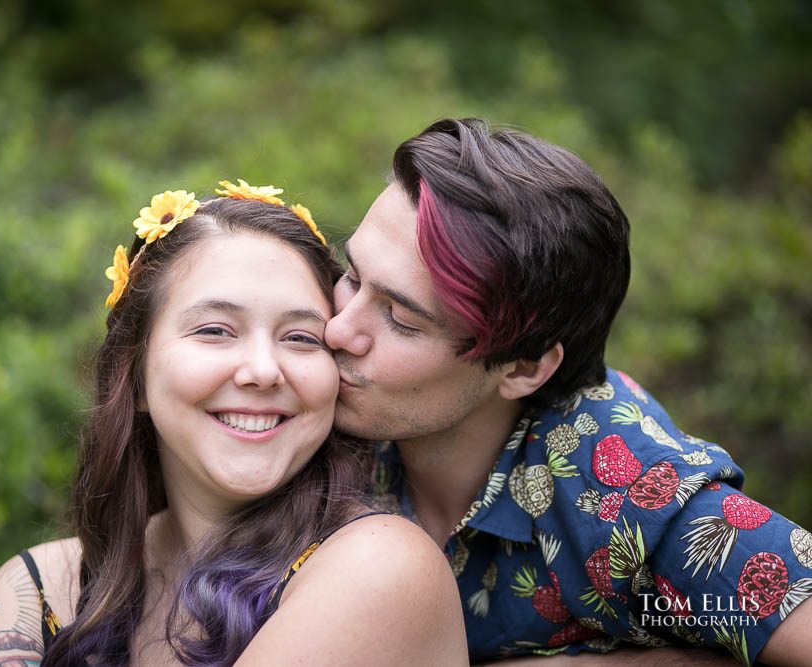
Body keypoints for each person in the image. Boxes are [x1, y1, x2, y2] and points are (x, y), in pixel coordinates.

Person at [324, 118, 812, 665]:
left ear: (523, 367)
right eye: (350, 273)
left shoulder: (620, 484)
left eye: (399, 318)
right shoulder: (309, 400)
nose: (337, 330)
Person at [0, 182, 468, 667]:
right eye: (215, 331)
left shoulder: (378, 567)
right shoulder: (41, 588)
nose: (263, 371)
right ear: (135, 375)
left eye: (300, 338)